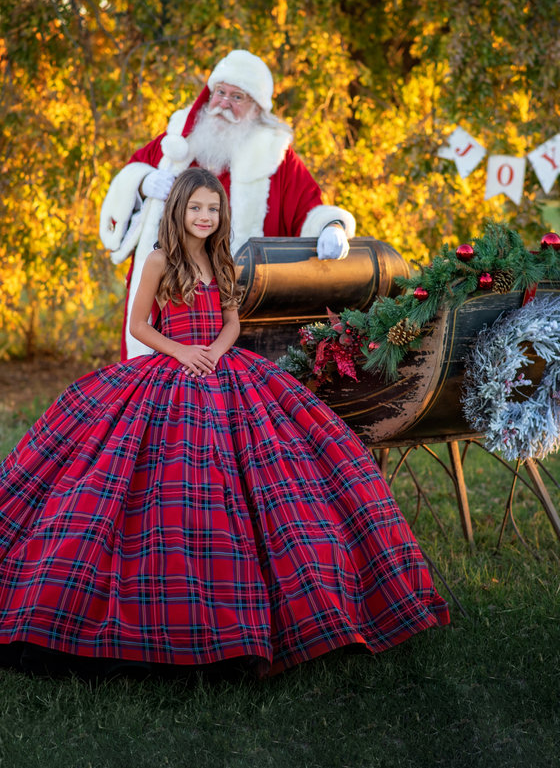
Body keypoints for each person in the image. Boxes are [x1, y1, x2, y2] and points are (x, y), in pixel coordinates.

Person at [0, 167, 448, 680]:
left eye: (212, 209)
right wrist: (183, 352)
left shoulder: (220, 261)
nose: (204, 217)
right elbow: (139, 324)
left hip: (225, 366)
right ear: (179, 211)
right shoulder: (159, 260)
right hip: (171, 367)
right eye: (196, 209)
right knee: (169, 477)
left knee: (281, 469)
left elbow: (233, 320)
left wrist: (213, 350)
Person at [100, 48, 357, 359]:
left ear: (256, 108)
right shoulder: (179, 137)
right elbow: (131, 173)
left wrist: (331, 226)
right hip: (169, 298)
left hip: (242, 295)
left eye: (237, 97)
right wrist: (143, 182)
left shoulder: (274, 154)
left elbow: (308, 204)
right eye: (220, 92)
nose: (223, 103)